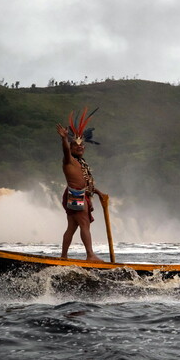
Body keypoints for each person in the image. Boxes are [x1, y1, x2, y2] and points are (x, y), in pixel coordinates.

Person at [55, 107, 104, 262]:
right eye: (76, 146)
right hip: (76, 195)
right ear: (71, 147)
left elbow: (86, 182)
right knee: (84, 224)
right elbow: (65, 151)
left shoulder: (81, 162)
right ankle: (90, 255)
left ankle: (63, 256)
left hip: (79, 194)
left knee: (72, 227)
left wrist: (98, 192)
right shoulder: (69, 160)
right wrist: (64, 139)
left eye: (82, 146)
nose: (80, 147)